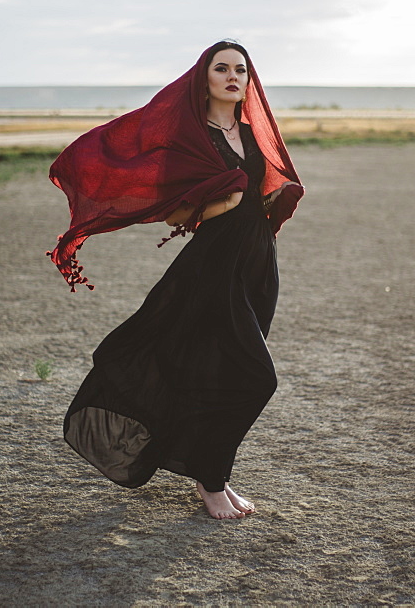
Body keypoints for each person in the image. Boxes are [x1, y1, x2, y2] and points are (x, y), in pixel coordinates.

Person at [47, 40, 303, 519]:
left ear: (250, 81)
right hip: (212, 269)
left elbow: (261, 191)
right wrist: (220, 206)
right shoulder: (192, 138)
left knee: (222, 373)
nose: (232, 76)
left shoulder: (250, 136)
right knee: (257, 378)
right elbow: (176, 213)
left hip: (256, 265)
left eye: (240, 70)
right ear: (202, 78)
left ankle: (214, 476)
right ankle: (210, 481)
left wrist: (266, 200)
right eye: (220, 68)